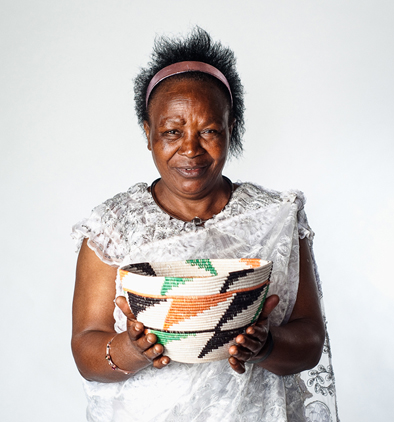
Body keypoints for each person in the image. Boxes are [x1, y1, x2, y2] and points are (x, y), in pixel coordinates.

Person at [71, 28, 339, 422]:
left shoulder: (275, 216)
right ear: (148, 134)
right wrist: (133, 348)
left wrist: (264, 347)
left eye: (210, 130)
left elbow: (309, 340)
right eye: (172, 132)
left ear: (231, 129)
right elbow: (85, 348)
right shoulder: (112, 226)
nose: (190, 149)